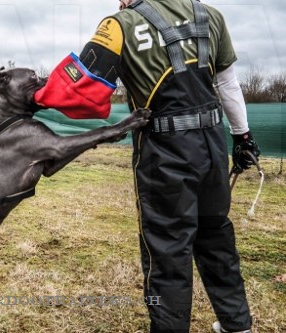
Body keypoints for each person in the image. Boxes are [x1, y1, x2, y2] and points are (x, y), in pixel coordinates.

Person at [33, 0, 261, 332]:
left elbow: (79, 88)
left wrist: (34, 95)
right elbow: (228, 85)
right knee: (216, 236)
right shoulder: (210, 16)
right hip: (212, 146)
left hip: (164, 152)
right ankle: (238, 325)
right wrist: (243, 138)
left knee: (167, 250)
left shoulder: (119, 25)